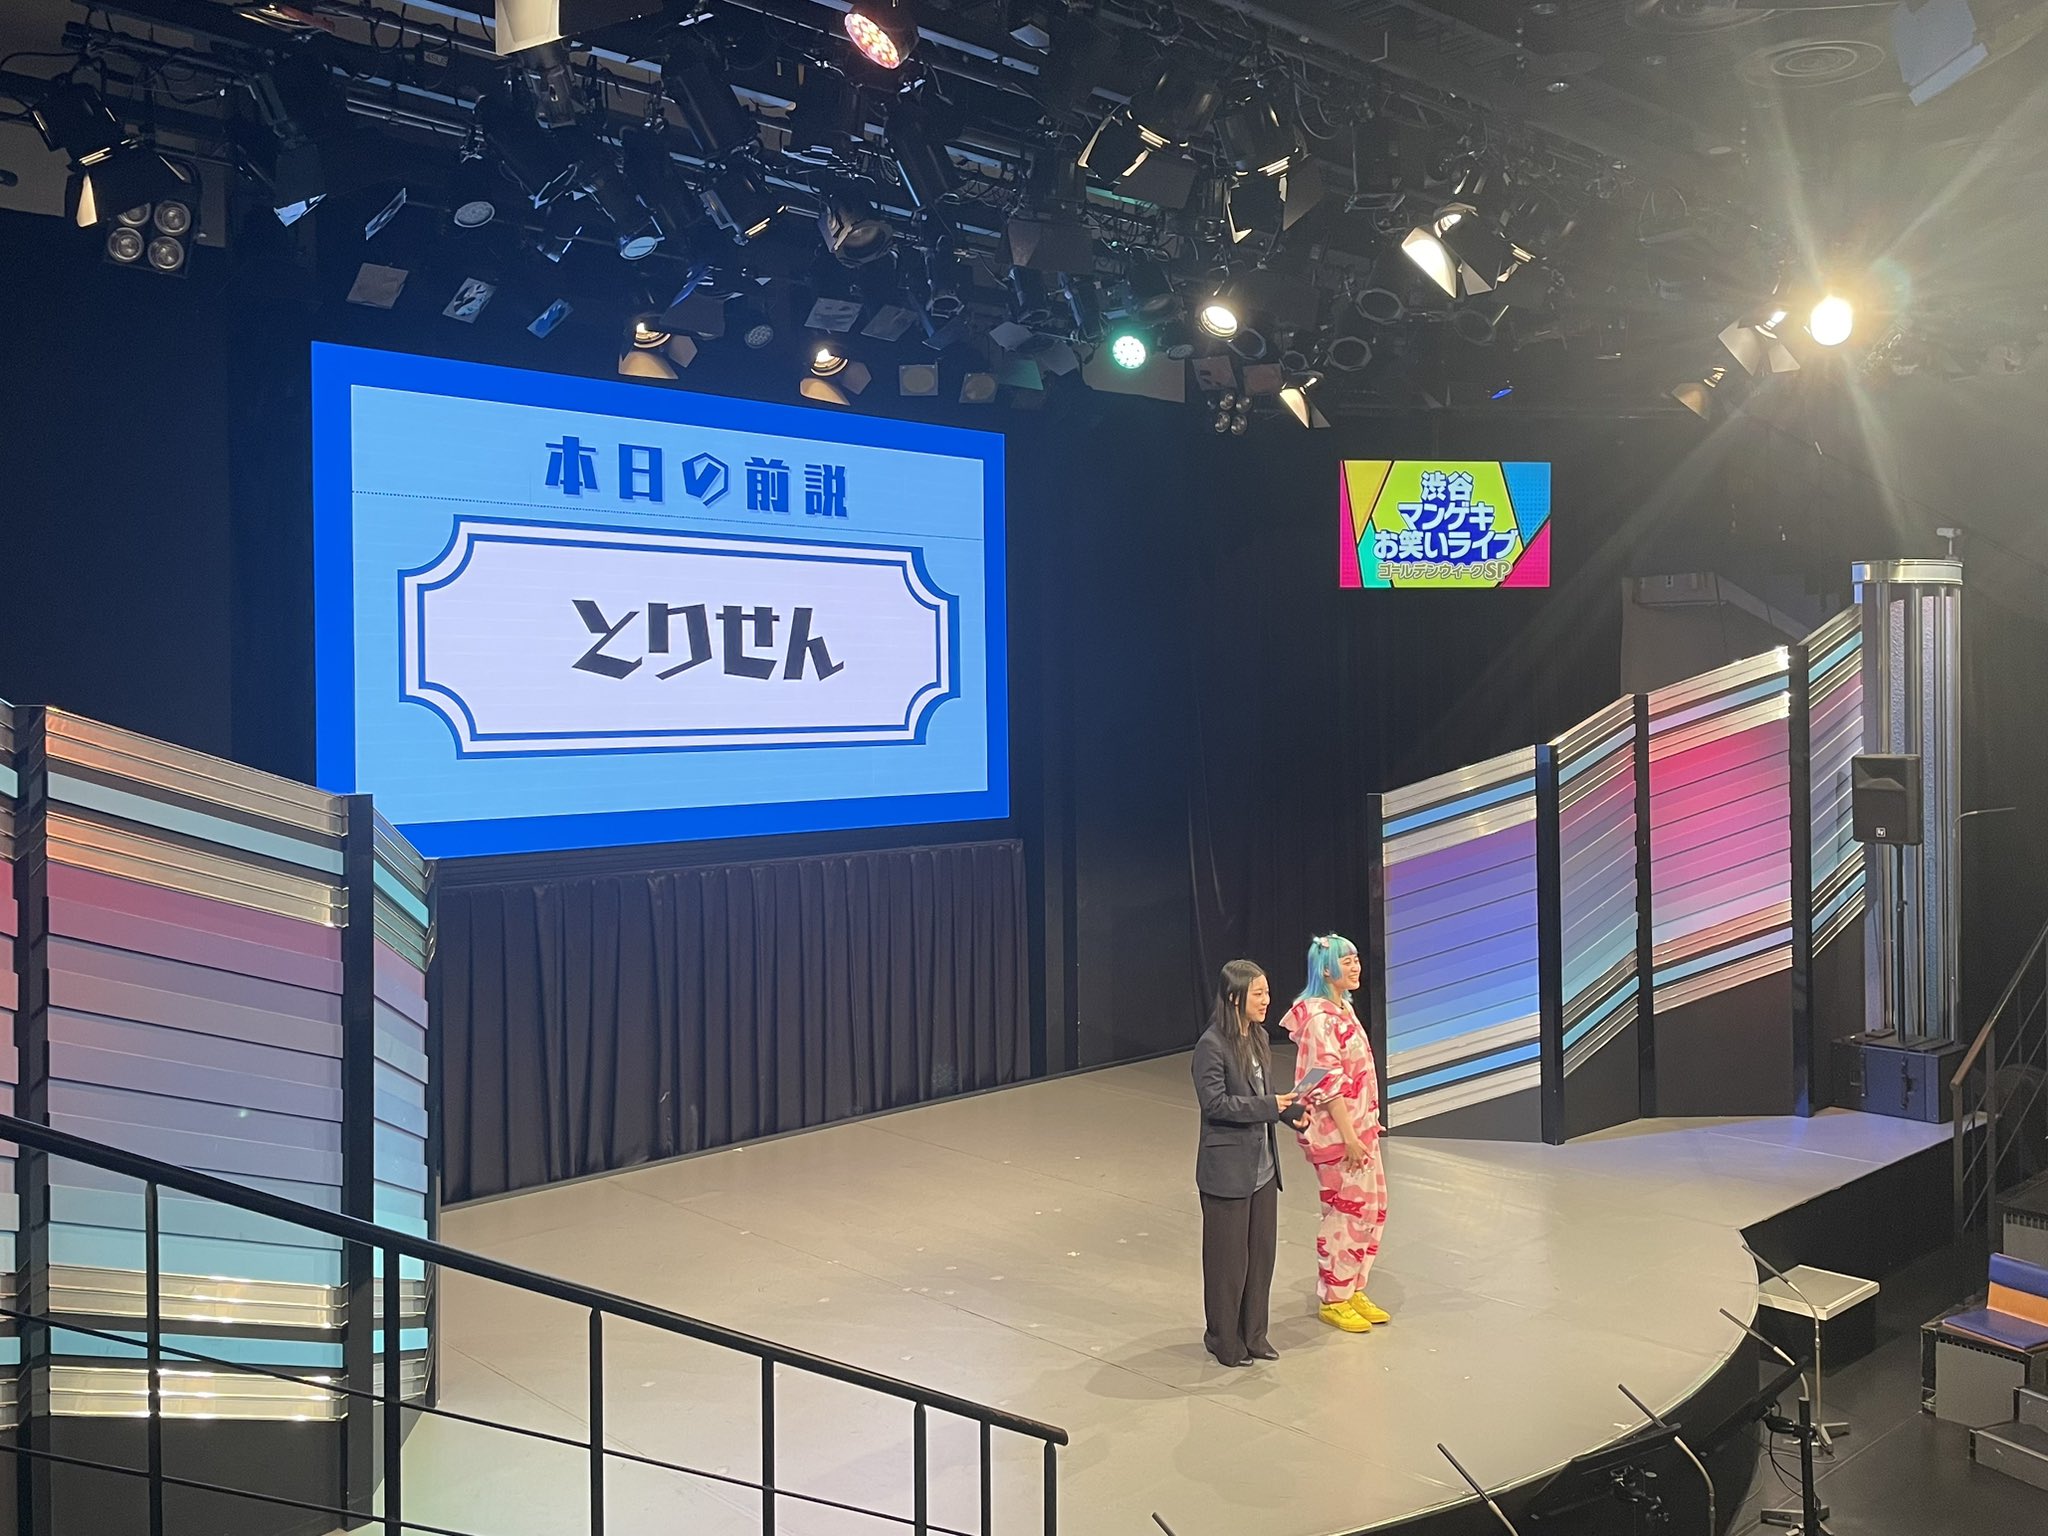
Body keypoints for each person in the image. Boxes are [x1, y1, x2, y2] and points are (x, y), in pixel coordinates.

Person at [1191, 960, 1305, 1367]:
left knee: (1260, 1258)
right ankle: (1223, 1339)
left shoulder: (1257, 1037)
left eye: (1267, 992)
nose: (1266, 1000)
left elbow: (1263, 1094)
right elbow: (1216, 1104)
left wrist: (1290, 1112)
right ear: (1234, 997)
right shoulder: (1211, 1045)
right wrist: (1270, 1106)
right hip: (1227, 1173)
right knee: (1228, 1264)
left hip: (1263, 1170)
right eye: (1258, 994)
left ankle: (1254, 1334)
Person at [1282, 934, 1390, 1334]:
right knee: (1348, 1210)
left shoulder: (1343, 1008)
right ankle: (1335, 1297)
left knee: (1372, 1208)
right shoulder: (1319, 1019)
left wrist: (1365, 1124)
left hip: (1361, 1129)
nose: (1356, 966)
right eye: (1347, 961)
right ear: (1326, 970)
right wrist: (1349, 1136)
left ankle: (1352, 1286)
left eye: (1356, 958)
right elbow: (1325, 1083)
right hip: (1340, 1137)